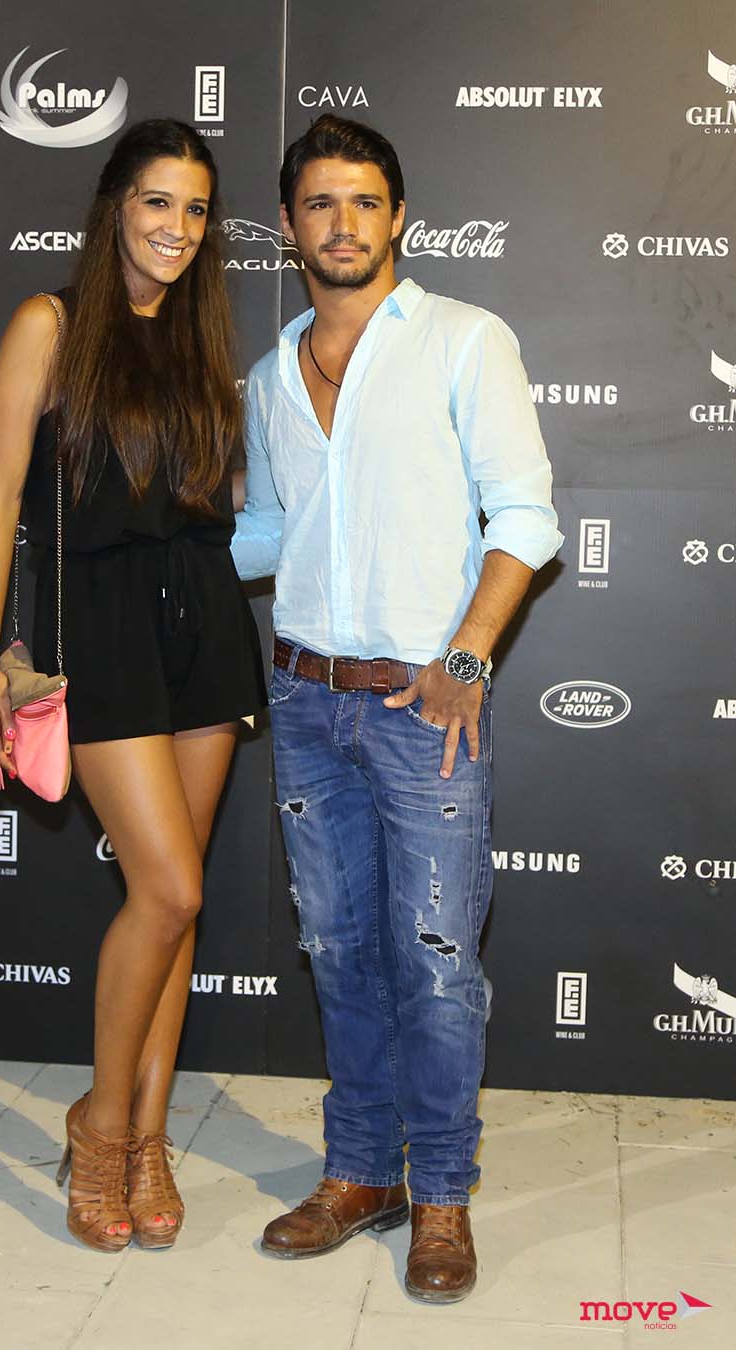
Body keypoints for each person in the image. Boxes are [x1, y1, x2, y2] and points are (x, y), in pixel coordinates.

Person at [232, 115, 562, 1303]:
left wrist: (467, 655)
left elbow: (525, 514)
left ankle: (443, 1196)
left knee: (435, 960)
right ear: (288, 226)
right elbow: (265, 535)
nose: (343, 223)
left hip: (426, 709)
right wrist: (143, 547)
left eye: (364, 201)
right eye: (320, 203)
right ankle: (362, 1172)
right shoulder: (269, 376)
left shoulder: (466, 340)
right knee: (338, 950)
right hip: (304, 698)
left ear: (399, 218)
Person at [0, 119, 265, 1253]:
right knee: (170, 892)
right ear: (113, 207)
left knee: (175, 907)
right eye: (157, 202)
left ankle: (147, 1137)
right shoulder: (48, 325)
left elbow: (217, 508)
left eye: (195, 209)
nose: (177, 228)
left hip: (205, 630)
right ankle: (99, 1129)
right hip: (96, 632)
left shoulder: (199, 339)